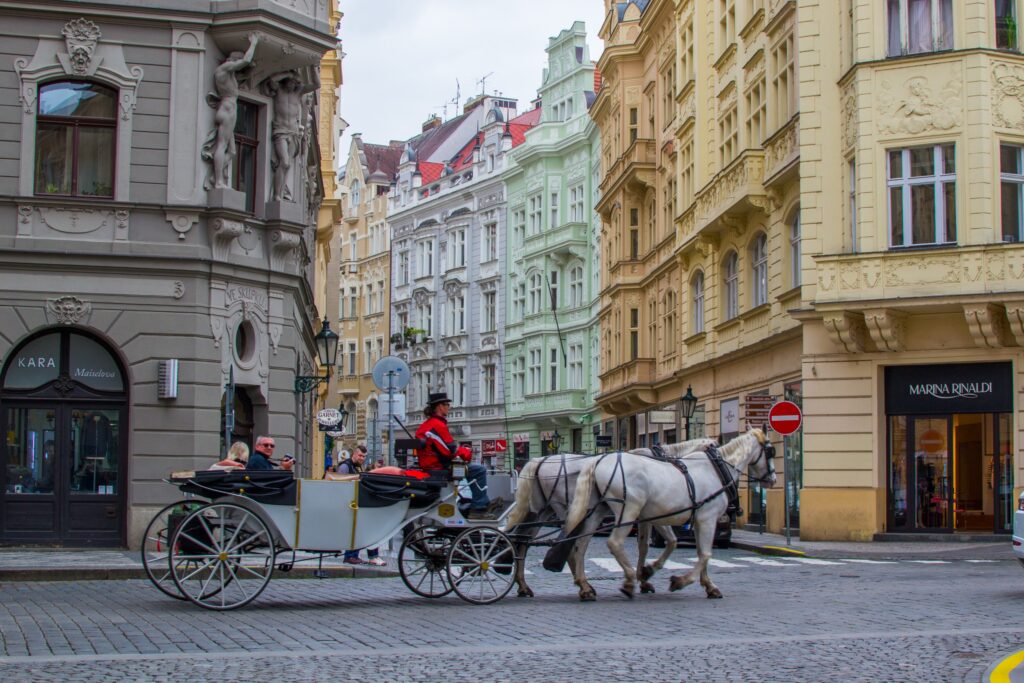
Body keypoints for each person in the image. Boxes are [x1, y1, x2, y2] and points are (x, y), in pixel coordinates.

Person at [415, 392, 502, 520]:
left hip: (433, 466)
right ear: (439, 407)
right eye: (447, 404)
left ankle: (483, 502)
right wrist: (467, 452)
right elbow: (450, 450)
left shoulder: (427, 425)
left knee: (472, 469)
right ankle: (478, 508)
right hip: (439, 468)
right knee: (479, 470)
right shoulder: (437, 425)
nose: (449, 407)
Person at [338, 445, 385, 566]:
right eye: (360, 455)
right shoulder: (345, 466)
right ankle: (353, 556)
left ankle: (365, 556)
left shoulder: (358, 467)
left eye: (364, 456)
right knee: (361, 530)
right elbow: (339, 485)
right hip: (349, 504)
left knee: (365, 530)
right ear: (354, 454)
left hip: (356, 504)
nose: (362, 458)